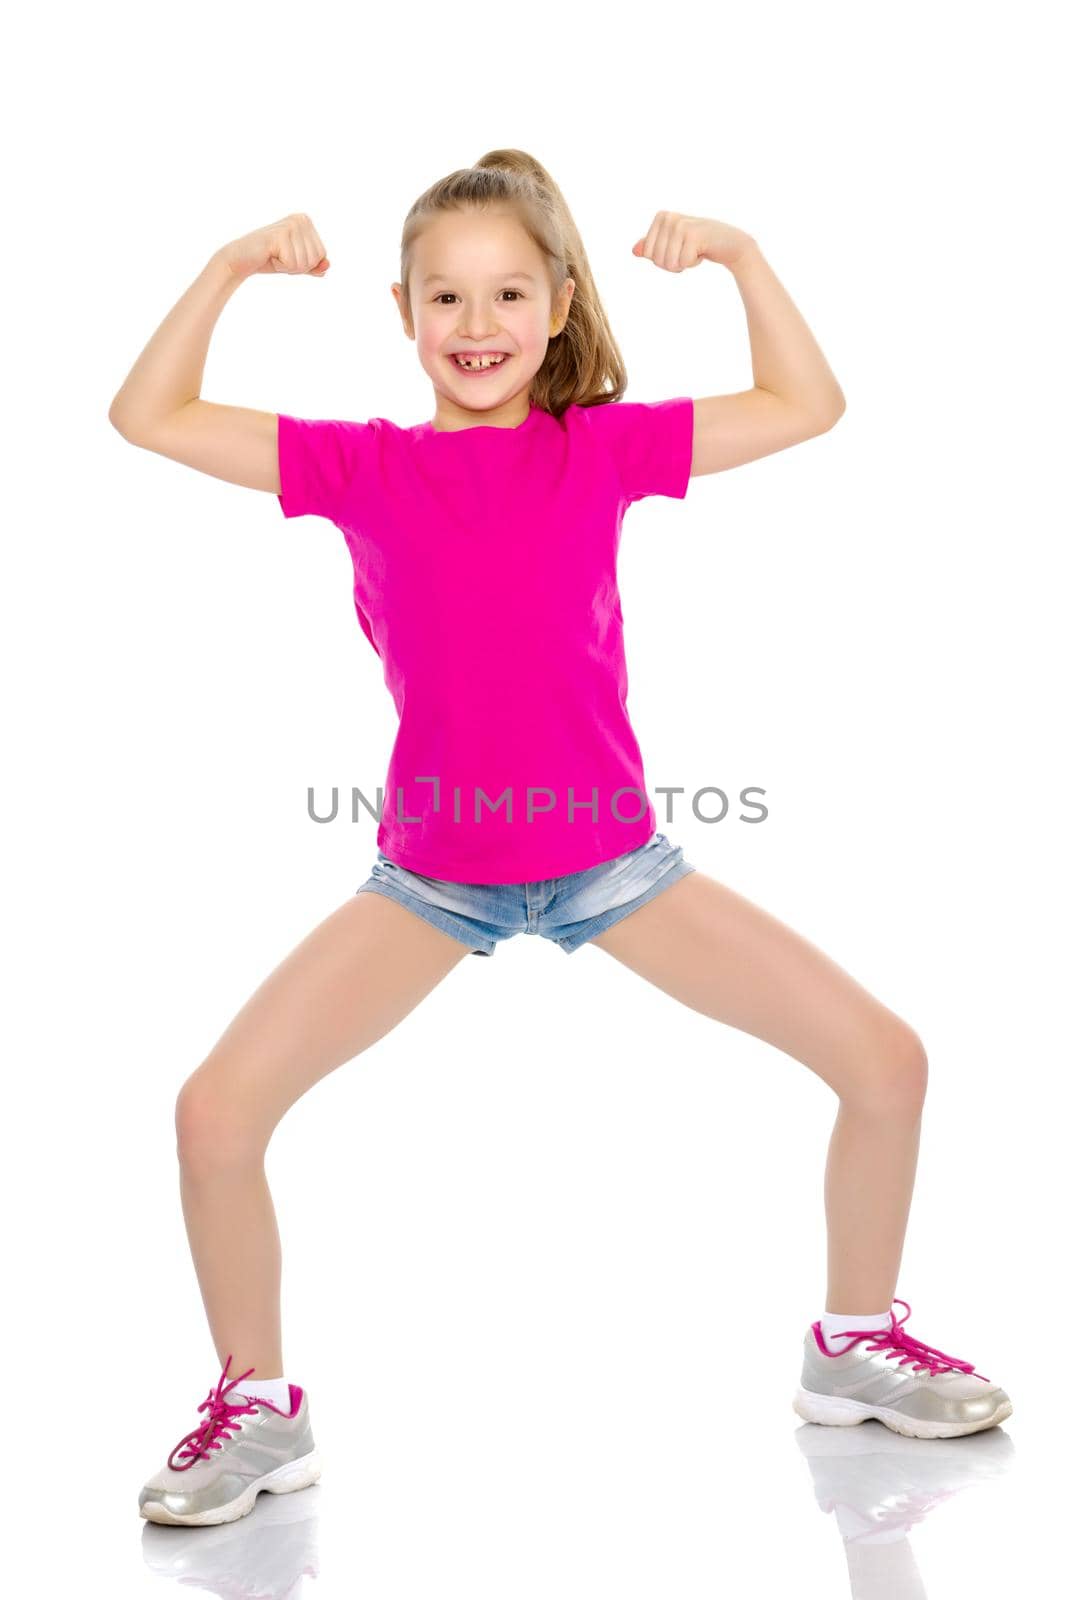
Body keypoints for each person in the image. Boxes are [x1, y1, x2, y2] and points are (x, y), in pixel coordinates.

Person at [111, 150, 1011, 1527]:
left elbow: (807, 404)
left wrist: (742, 256)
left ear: (559, 301)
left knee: (887, 1063)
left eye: (509, 293)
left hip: (614, 865)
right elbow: (147, 413)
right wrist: (230, 266)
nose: (478, 326)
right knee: (215, 1115)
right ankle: (256, 1411)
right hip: (433, 879)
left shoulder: (600, 448)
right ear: (404, 315)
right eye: (445, 298)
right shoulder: (362, 467)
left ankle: (849, 1352)